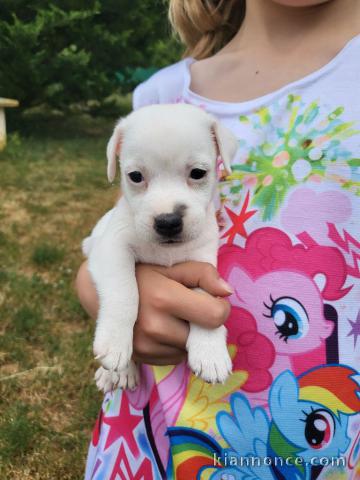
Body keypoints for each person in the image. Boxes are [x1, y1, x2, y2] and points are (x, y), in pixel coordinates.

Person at [77, 1, 360, 478]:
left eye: (196, 174)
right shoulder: (161, 95)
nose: (167, 206)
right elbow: (114, 233)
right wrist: (99, 292)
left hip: (323, 429)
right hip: (160, 428)